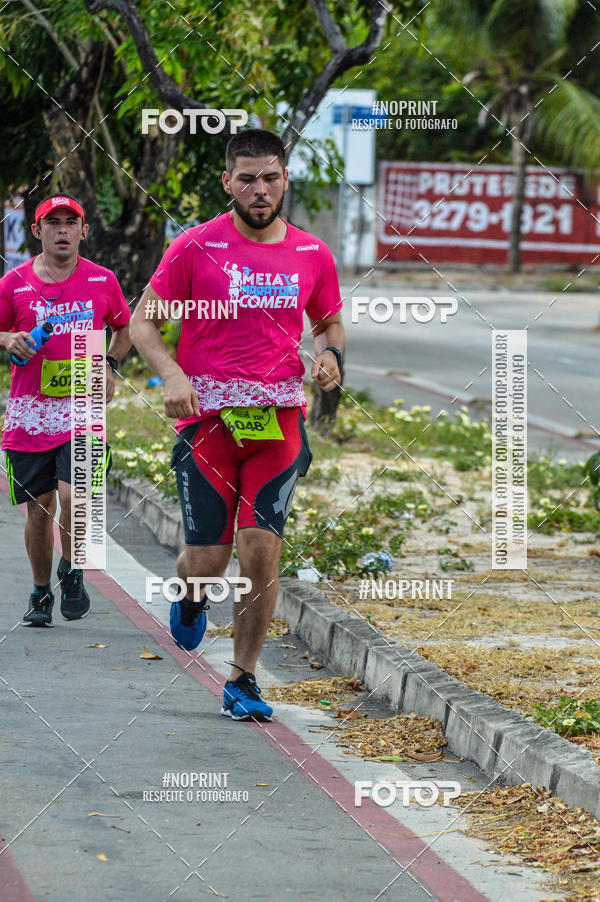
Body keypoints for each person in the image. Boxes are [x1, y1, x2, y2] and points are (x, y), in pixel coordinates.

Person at [130, 128, 345, 722]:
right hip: (208, 425)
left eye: (270, 177)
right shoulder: (195, 247)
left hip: (278, 424)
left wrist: (329, 357)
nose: (259, 189)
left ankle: (242, 678)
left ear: (285, 181)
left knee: (261, 550)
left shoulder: (311, 253)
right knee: (208, 560)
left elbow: (329, 325)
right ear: (227, 182)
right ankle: (190, 590)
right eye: (246, 178)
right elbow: (144, 323)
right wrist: (172, 374)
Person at [0, 195, 131, 626]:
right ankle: (41, 592)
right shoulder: (13, 282)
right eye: (51, 222)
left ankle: (72, 568)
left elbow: (125, 325)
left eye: (70, 222)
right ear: (36, 231)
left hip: (84, 404)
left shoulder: (102, 280)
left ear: (83, 231)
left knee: (76, 498)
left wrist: (110, 363)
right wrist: (8, 340)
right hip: (30, 414)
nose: (61, 230)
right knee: (39, 512)